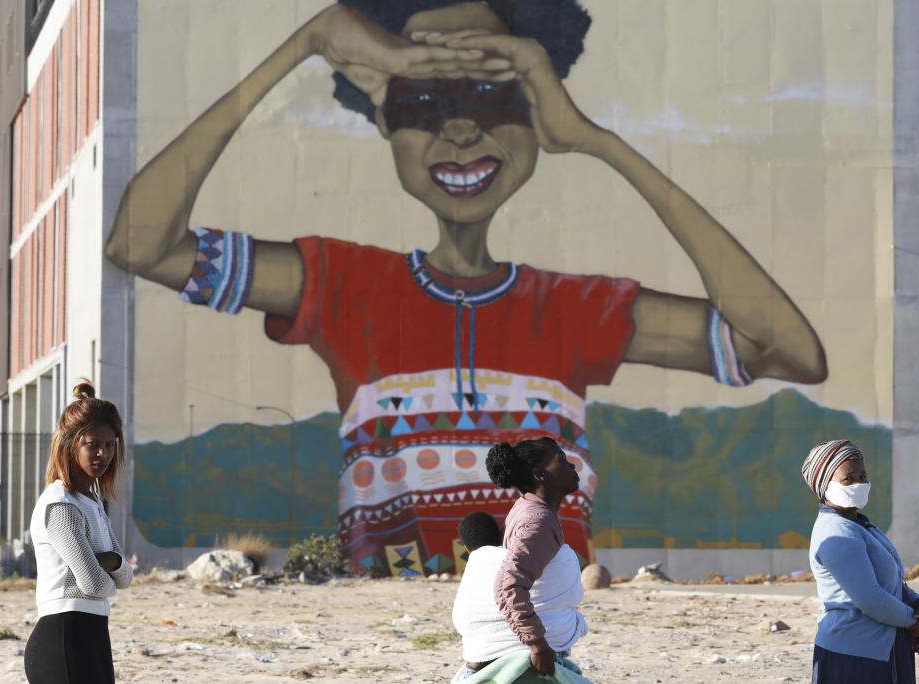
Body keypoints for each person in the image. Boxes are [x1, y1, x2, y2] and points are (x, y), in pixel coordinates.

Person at [105, 0, 827, 572]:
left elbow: (790, 351)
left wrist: (595, 140)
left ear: (538, 118)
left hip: (543, 619)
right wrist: (306, 42)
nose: (458, 128)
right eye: (423, 101)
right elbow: (140, 243)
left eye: (493, 96)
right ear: (383, 123)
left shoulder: (576, 310)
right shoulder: (342, 283)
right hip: (388, 632)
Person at [23, 381, 133, 684]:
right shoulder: (60, 506)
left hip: (94, 637)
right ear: (71, 443)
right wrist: (110, 565)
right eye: (93, 444)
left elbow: (126, 575)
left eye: (110, 444)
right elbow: (94, 584)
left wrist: (111, 561)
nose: (103, 453)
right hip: (63, 637)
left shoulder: (93, 503)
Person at [802, 439, 919, 683]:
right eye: (849, 479)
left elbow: (894, 583)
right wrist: (913, 621)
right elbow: (871, 599)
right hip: (855, 655)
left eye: (862, 477)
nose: (859, 484)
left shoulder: (862, 525)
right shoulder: (836, 532)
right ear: (825, 485)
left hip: (884, 647)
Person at [483, 437, 587, 676]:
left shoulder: (526, 508)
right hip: (524, 660)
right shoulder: (538, 521)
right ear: (541, 475)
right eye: (561, 461)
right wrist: (537, 645)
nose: (572, 467)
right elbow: (509, 584)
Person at [452, 510, 587, 679]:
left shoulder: (477, 564)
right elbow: (572, 600)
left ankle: (473, 671)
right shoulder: (550, 556)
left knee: (473, 657)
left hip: (488, 655)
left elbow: (464, 620)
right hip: (547, 651)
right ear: (501, 536)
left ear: (466, 548)